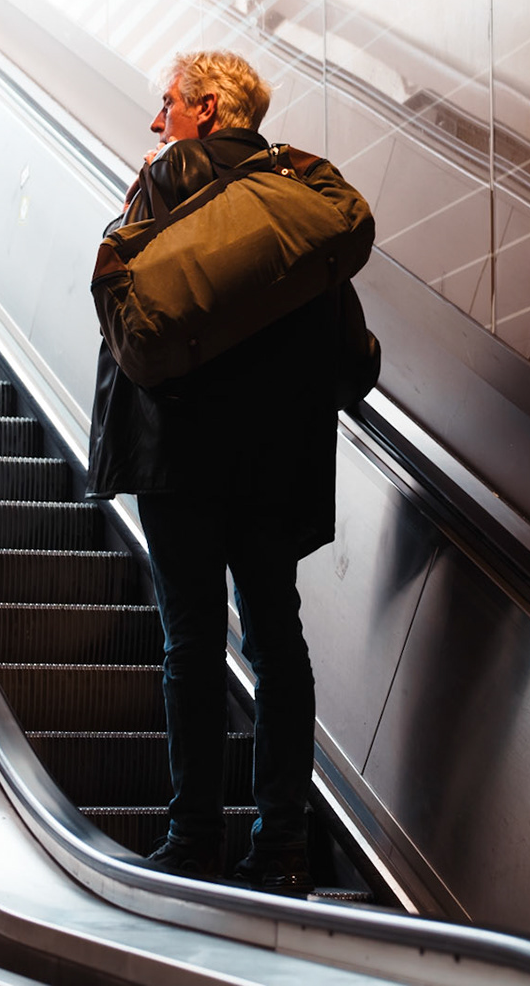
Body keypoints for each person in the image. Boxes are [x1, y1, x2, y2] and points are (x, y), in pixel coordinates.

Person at [86, 50, 339, 893]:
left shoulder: (169, 177)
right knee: (278, 644)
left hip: (182, 452)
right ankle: (283, 844)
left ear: (206, 110)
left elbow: (137, 308)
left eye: (168, 104)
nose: (157, 122)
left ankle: (195, 836)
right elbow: (346, 338)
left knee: (191, 641)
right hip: (273, 458)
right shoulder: (296, 198)